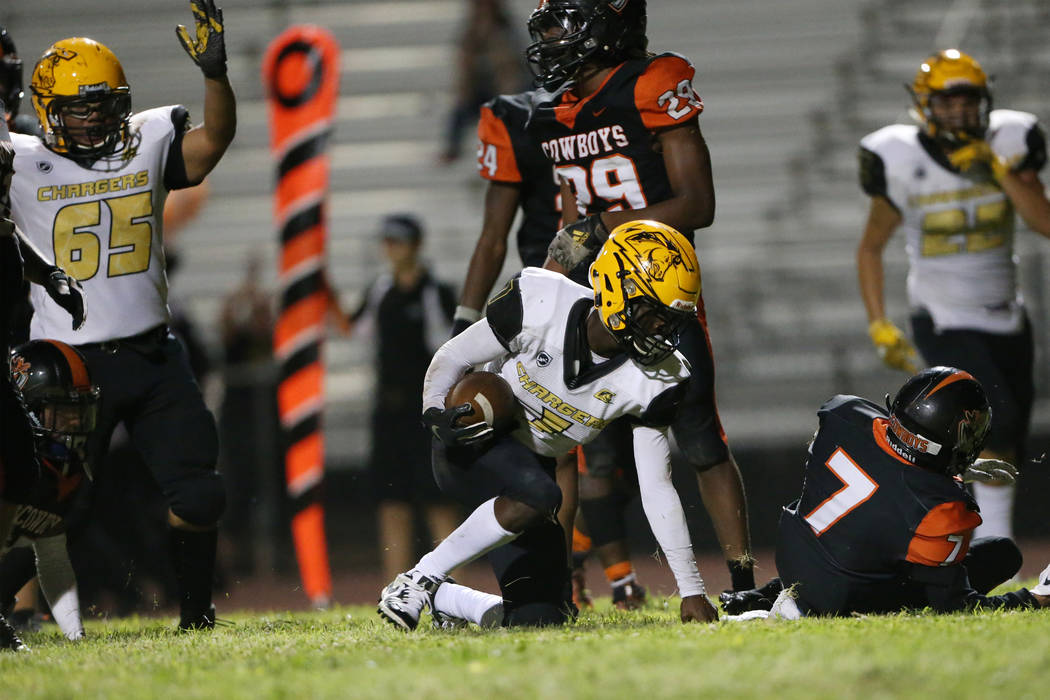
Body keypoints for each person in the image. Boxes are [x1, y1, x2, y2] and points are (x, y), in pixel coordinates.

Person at [7, 0, 236, 630]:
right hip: (69, 366)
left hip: (153, 354)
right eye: (81, 107)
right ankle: (11, 612)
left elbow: (213, 142)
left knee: (199, 490)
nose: (95, 119)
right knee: (56, 509)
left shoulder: (146, 142)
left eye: (106, 105)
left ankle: (197, 615)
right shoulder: (19, 159)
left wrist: (217, 78)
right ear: (48, 108)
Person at [377, 220, 721, 631]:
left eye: (671, 321)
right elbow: (453, 356)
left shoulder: (658, 378)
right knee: (540, 495)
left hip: (533, 472)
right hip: (476, 440)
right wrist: (436, 411)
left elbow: (656, 485)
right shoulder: (543, 301)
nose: (662, 331)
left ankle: (447, 597)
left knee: (542, 618)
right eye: (654, 314)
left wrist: (692, 590)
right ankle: (418, 578)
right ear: (615, 288)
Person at [530, 0, 754, 596]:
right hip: (594, 301)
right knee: (587, 450)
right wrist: (549, 286)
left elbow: (697, 205)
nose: (551, 40)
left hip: (658, 291)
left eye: (563, 25)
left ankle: (741, 579)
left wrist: (601, 227)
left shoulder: (652, 84)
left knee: (702, 440)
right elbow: (572, 220)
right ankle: (579, 579)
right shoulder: (558, 110)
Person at [855, 49, 1050, 541]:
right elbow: (871, 247)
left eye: (968, 100)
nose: (959, 112)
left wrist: (997, 168)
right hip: (941, 313)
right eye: (947, 102)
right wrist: (879, 322)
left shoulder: (1009, 141)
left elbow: (1044, 223)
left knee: (1008, 436)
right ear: (924, 105)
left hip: (1007, 312)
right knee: (984, 428)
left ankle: (984, 540)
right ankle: (981, 542)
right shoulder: (899, 156)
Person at [719, 367, 1050, 618]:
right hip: (843, 598)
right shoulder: (939, 507)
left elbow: (884, 469)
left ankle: (766, 593)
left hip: (798, 558)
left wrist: (953, 466)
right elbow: (956, 605)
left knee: (858, 531)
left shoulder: (842, 415)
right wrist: (1035, 598)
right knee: (1002, 554)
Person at [344, 214, 459, 581]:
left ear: (416, 245)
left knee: (438, 498)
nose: (391, 249)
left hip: (427, 411)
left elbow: (447, 346)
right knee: (392, 499)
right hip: (389, 409)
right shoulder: (379, 290)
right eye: (388, 242)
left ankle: (451, 582)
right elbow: (355, 330)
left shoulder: (436, 292)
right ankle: (396, 583)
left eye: (398, 241)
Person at [0, 339, 99, 642]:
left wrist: (75, 636)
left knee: (37, 546)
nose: (74, 421)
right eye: (60, 410)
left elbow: (54, 558)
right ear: (26, 410)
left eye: (78, 409)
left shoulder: (66, 473)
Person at [438, 0, 528, 164]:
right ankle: (452, 149)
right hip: (480, 90)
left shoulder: (506, 31)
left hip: (505, 88)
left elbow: (511, 65)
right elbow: (465, 65)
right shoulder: (471, 33)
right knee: (459, 113)